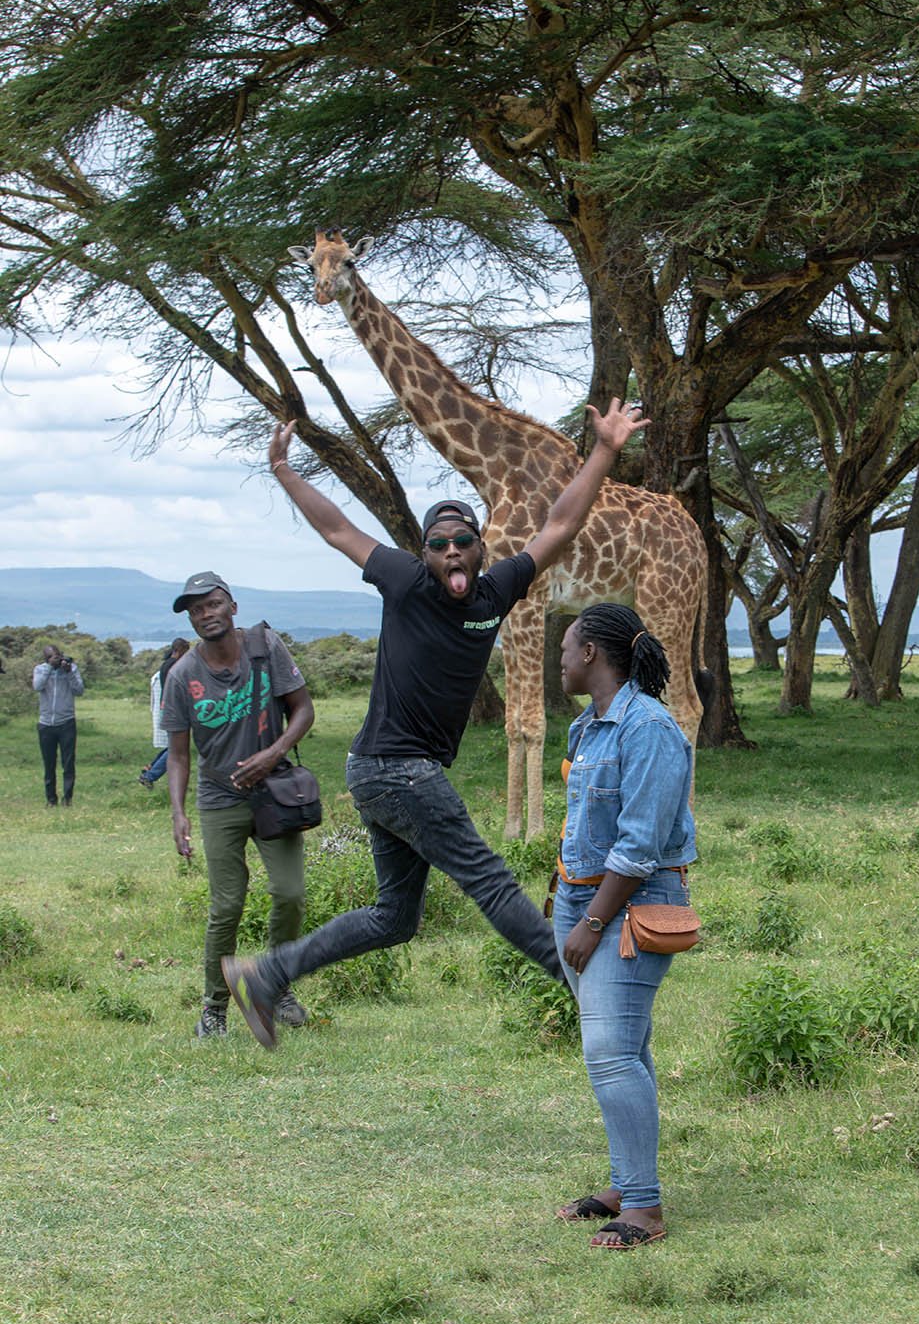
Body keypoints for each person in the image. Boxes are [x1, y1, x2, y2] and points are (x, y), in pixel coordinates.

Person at [221, 399, 649, 1050]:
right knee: (492, 883)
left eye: (462, 542)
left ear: (480, 548)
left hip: (380, 772)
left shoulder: (496, 591)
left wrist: (606, 450)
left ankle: (266, 974)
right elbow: (338, 529)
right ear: (424, 555)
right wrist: (284, 471)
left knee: (395, 917)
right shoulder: (404, 582)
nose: (451, 551)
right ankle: (588, 997)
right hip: (396, 770)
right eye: (438, 544)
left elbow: (561, 524)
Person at [552, 603, 696, 1250]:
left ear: (591, 654)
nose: (559, 660)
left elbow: (640, 845)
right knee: (623, 1049)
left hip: (625, 906)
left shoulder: (650, 728)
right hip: (582, 899)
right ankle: (624, 1183)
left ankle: (643, 1208)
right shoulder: (589, 726)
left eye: (565, 648)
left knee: (610, 1052)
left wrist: (592, 920)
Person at [161, 573, 315, 1039]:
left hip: (275, 792)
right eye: (196, 610)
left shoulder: (266, 648)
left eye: (213, 604)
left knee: (290, 892)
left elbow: (303, 709)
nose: (205, 614)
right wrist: (178, 812)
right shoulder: (182, 676)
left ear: (232, 606)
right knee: (227, 905)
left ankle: (276, 985)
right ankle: (214, 1008)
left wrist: (274, 752)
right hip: (219, 797)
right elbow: (178, 754)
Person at [33, 644, 85, 807]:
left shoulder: (71, 669)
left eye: (57, 656)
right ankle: (51, 799)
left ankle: (67, 798)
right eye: (51, 657)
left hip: (66, 722)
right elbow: (37, 686)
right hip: (46, 723)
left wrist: (69, 673)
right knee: (49, 763)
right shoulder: (40, 669)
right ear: (46, 659)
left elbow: (79, 690)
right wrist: (49, 668)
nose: (56, 659)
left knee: (68, 762)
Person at [139, 638, 191, 788]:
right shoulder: (175, 666)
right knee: (176, 749)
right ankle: (150, 776)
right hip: (174, 710)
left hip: (168, 708)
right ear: (180, 650)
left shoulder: (166, 665)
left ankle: (150, 768)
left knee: (172, 746)